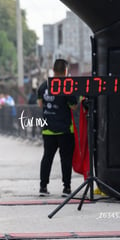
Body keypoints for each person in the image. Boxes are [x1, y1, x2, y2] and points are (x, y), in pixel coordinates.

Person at [37, 59, 77, 197]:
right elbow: (74, 106)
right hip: (65, 129)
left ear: (53, 70)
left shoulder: (43, 86)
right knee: (65, 159)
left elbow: (40, 104)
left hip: (48, 129)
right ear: (66, 72)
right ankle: (66, 188)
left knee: (47, 157)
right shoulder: (67, 87)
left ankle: (43, 187)